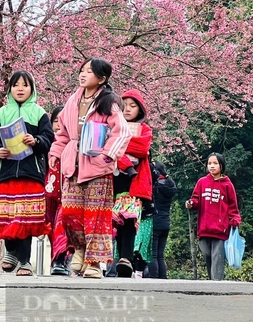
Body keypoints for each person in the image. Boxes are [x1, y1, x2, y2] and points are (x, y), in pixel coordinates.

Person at [48, 58, 132, 279]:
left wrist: (108, 156)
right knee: (70, 212)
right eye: (82, 70)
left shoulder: (109, 102)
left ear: (101, 78)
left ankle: (94, 262)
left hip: (97, 167)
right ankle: (80, 249)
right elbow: (63, 132)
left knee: (96, 216)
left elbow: (121, 132)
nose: (83, 74)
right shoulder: (73, 100)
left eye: (89, 71)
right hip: (72, 166)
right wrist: (56, 153)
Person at [0, 71, 55, 276]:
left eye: (25, 85)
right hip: (7, 173)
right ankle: (11, 251)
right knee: (8, 215)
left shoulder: (39, 113)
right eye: (16, 85)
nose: (20, 89)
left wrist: (36, 141)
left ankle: (24, 261)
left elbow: (48, 139)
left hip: (31, 173)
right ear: (10, 89)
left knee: (26, 217)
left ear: (32, 89)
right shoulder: (0, 114)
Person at [109, 89, 153, 278]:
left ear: (140, 110)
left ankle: (126, 258)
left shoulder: (145, 130)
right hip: (114, 180)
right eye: (124, 106)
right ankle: (120, 259)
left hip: (134, 181)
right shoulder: (111, 126)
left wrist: (118, 142)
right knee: (116, 221)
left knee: (129, 219)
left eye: (133, 106)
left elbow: (141, 148)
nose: (127, 110)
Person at [185, 153, 241, 281]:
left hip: (220, 229)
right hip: (204, 228)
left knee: (217, 257)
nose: (212, 166)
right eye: (209, 163)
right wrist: (191, 203)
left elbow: (233, 206)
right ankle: (212, 282)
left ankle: (217, 284)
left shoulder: (227, 185)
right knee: (206, 254)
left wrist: (235, 220)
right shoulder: (202, 182)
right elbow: (196, 199)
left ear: (222, 166)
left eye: (215, 163)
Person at [45, 106, 71, 276]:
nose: (59, 125)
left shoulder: (72, 144)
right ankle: (58, 257)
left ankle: (60, 260)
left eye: (62, 121)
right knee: (49, 226)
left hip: (67, 192)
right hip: (47, 192)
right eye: (55, 121)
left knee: (62, 223)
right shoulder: (46, 142)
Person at [148, 161, 177, 279]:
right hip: (166, 222)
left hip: (155, 221)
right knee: (160, 255)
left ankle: (154, 279)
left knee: (153, 255)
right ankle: (163, 278)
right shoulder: (170, 184)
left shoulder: (156, 186)